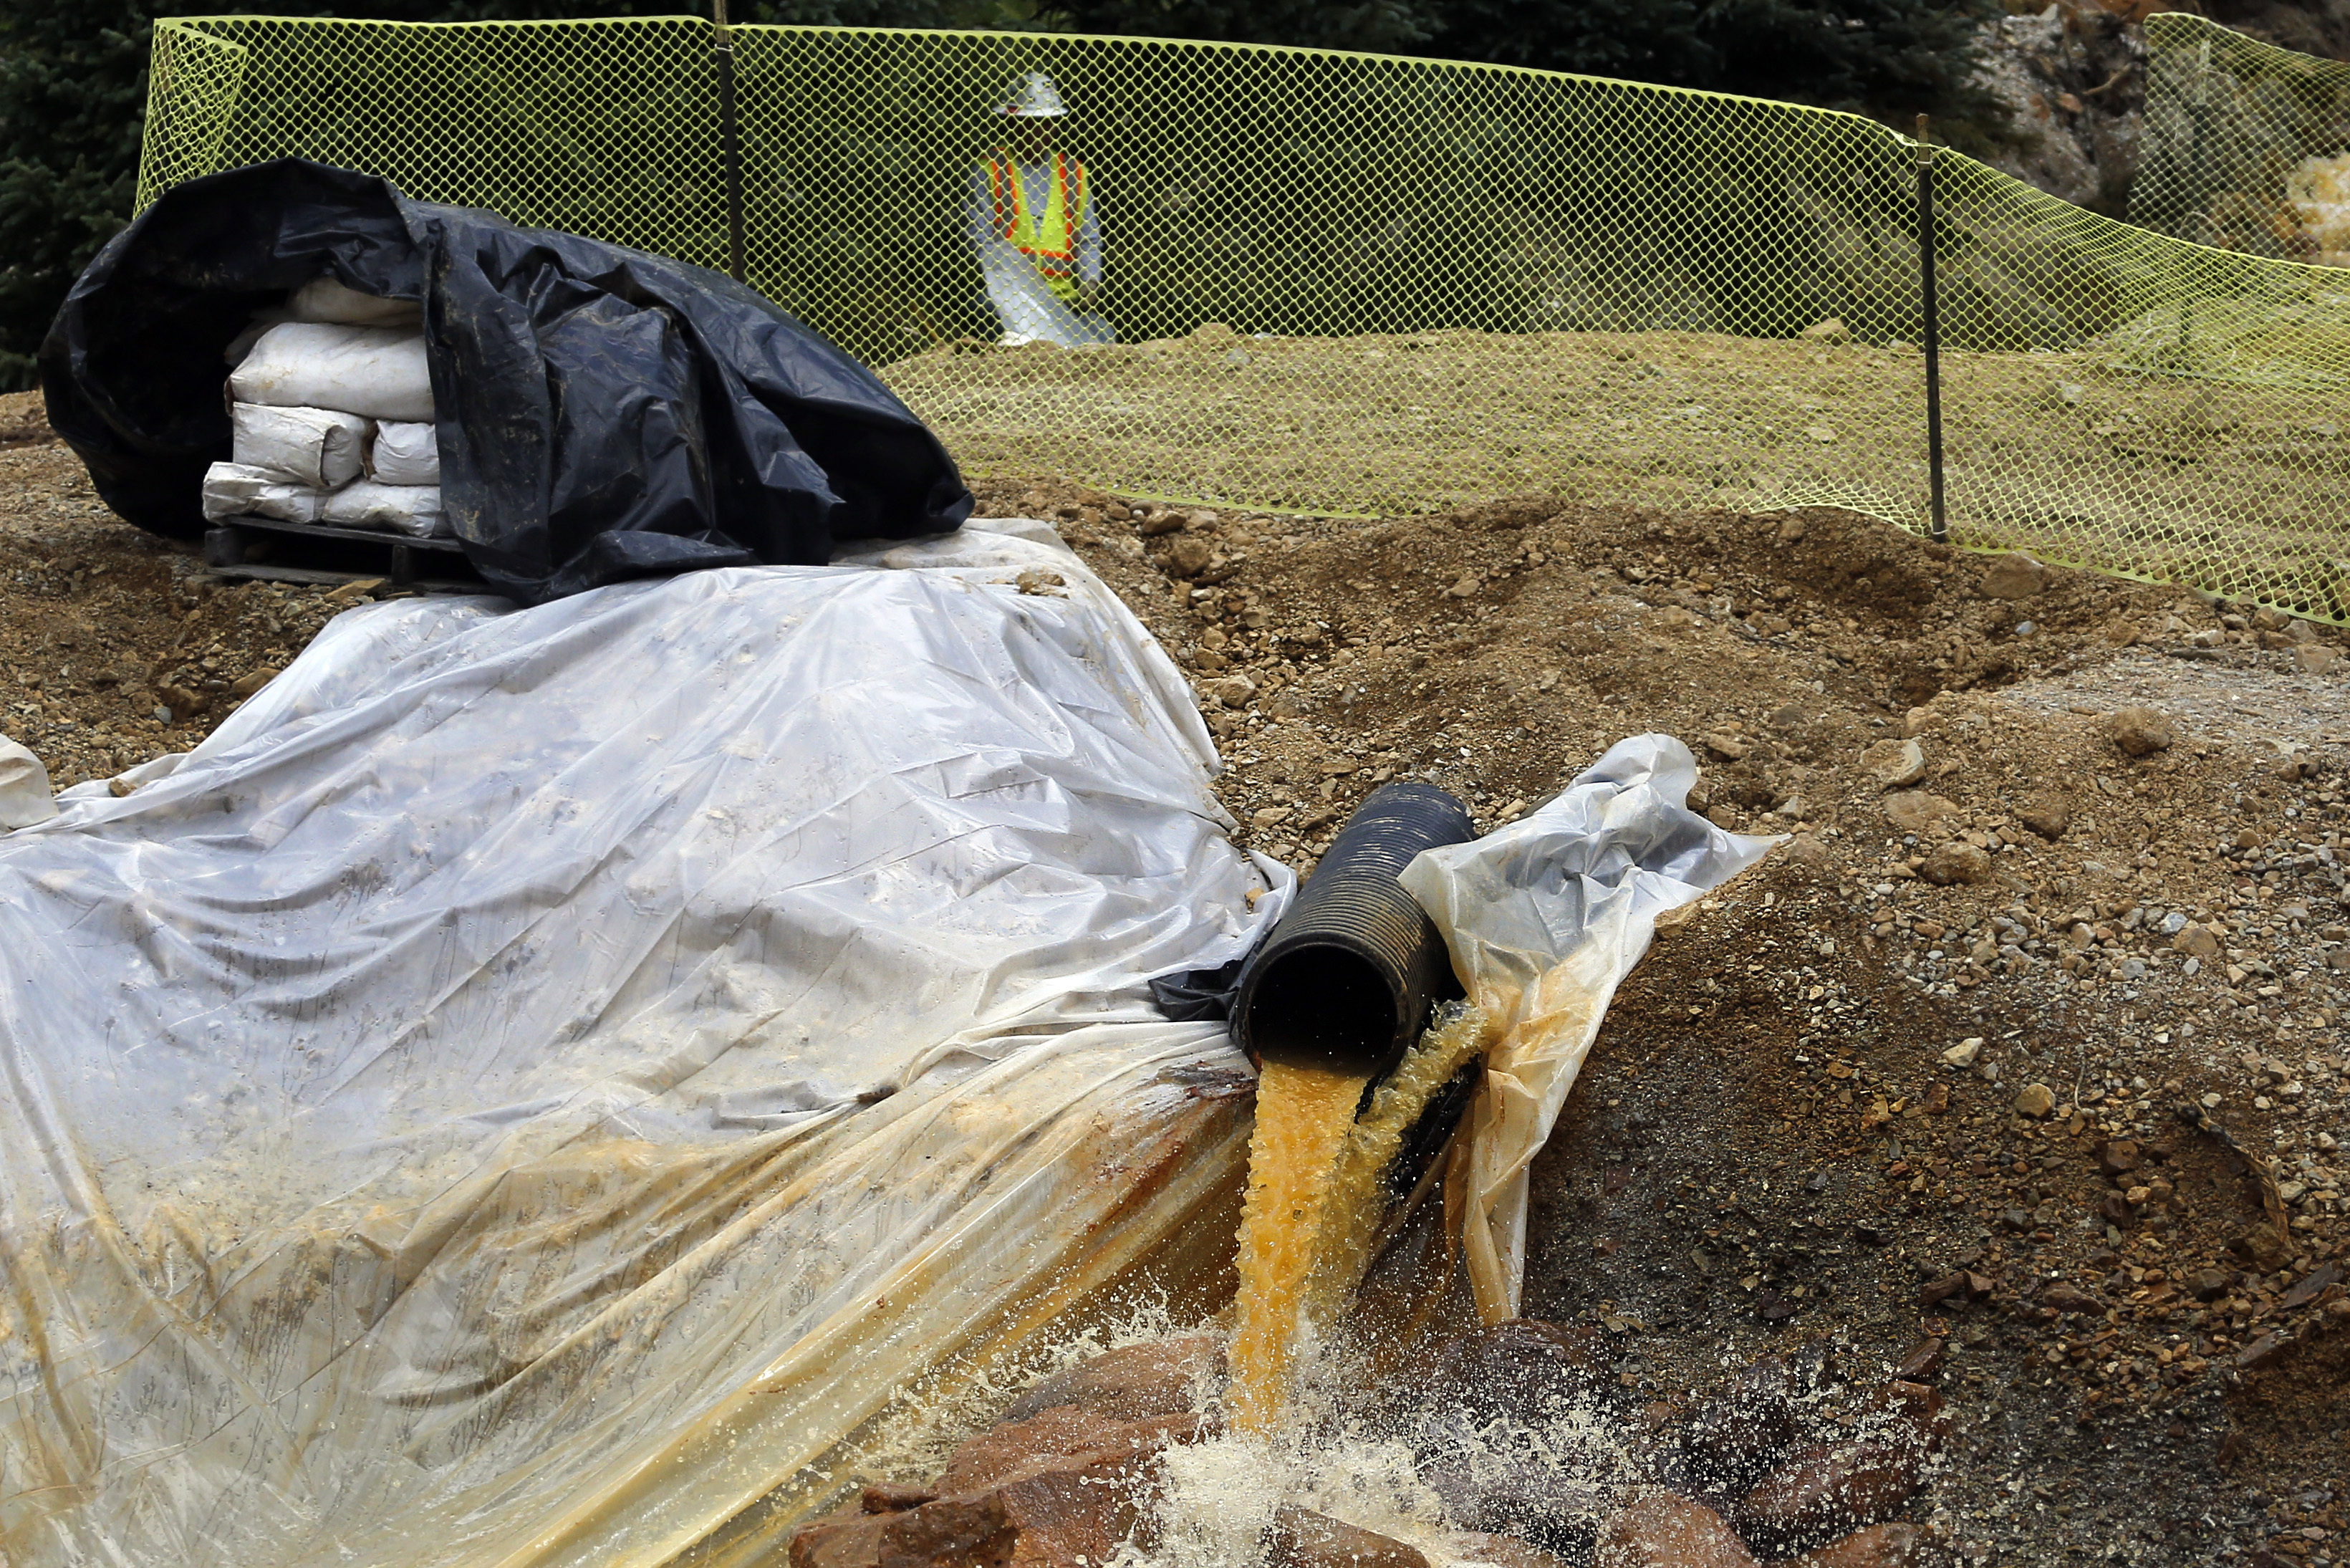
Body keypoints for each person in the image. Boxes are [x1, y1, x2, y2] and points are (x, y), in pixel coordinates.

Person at [965, 72, 1113, 346]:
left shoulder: (1074, 173)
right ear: (1013, 123)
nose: (1038, 132)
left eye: (1046, 123)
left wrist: (1090, 281)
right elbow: (977, 238)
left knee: (1101, 337)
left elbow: (1089, 238)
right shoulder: (992, 169)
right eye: (1030, 123)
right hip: (1006, 299)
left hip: (1063, 299)